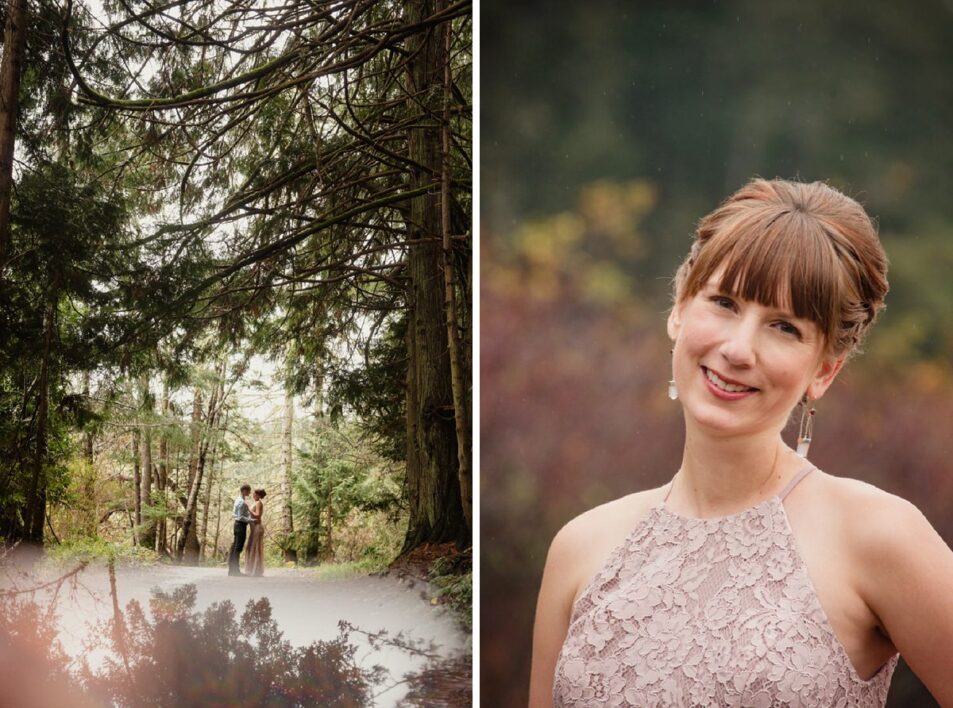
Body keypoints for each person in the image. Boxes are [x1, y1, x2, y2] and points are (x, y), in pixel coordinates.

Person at [529, 179, 953, 706]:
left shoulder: (877, 535)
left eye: (785, 326)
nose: (738, 348)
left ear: (824, 369)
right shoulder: (580, 546)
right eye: (724, 303)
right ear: (679, 310)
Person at [228, 484, 252, 576]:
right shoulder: (241, 502)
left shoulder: (238, 500)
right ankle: (235, 571)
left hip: (237, 525)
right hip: (240, 526)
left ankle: (232, 570)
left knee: (235, 547)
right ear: (244, 491)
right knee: (238, 548)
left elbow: (234, 514)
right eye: (248, 491)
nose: (249, 492)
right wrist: (250, 520)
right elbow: (240, 516)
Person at [244, 488, 266, 577]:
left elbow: (258, 515)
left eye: (255, 494)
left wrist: (248, 509)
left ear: (259, 495)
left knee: (255, 548)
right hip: (253, 528)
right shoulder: (255, 503)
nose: (253, 495)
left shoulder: (259, 503)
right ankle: (252, 569)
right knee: (250, 547)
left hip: (257, 527)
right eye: (253, 494)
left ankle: (256, 570)